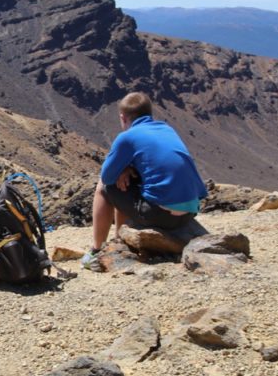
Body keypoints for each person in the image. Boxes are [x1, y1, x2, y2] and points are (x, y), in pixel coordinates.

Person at [82, 92, 207, 268]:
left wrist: (123, 168)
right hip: (190, 212)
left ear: (122, 118)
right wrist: (129, 168)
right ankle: (120, 239)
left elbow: (107, 176)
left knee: (103, 187)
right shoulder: (167, 129)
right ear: (149, 114)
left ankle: (95, 250)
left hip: (162, 216)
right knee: (127, 182)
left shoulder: (127, 137)